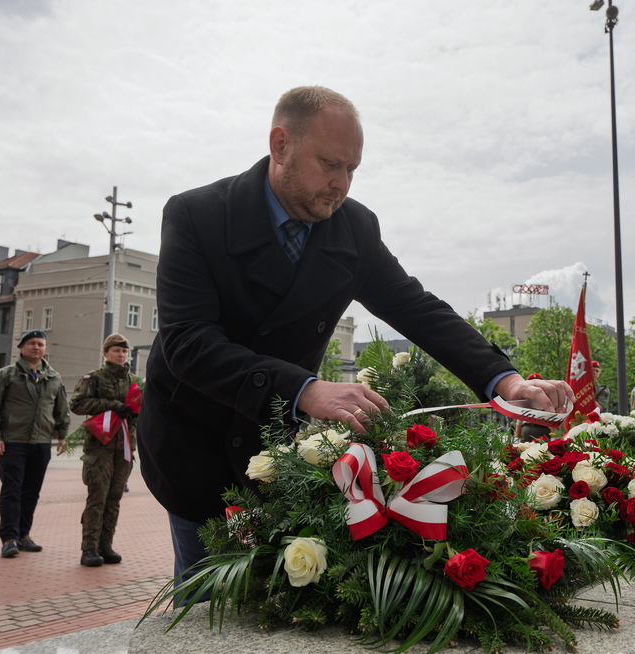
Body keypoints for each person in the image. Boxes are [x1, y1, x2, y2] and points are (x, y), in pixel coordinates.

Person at [137, 85, 574, 588]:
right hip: (196, 445)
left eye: (352, 169)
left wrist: (504, 380)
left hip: (278, 452)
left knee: (277, 601)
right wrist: (306, 389)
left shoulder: (353, 227)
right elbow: (188, 343)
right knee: (207, 604)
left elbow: (416, 308)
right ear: (280, 145)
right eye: (329, 164)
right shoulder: (197, 216)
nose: (340, 184)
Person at [0, 329, 69, 558]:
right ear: (21, 348)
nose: (36, 347)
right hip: (12, 442)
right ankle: (9, 538)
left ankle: (24, 535)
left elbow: (62, 410)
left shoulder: (54, 377)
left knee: (32, 491)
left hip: (41, 443)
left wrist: (63, 435)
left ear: (45, 348)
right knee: (12, 490)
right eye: (31, 343)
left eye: (40, 344)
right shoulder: (6, 375)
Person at [70, 333, 139, 567]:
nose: (121, 355)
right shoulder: (95, 378)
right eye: (116, 351)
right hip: (100, 448)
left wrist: (136, 412)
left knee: (114, 499)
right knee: (97, 498)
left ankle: (105, 545)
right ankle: (89, 548)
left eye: (124, 351)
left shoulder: (133, 381)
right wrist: (111, 405)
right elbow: (77, 403)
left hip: (125, 448)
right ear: (105, 353)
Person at [515, 373, 553, 442]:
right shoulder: (525, 399)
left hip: (540, 429)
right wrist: (516, 438)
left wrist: (554, 436)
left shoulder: (547, 398)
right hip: (529, 429)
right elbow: (519, 419)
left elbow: (551, 417)